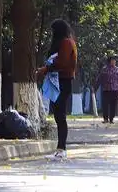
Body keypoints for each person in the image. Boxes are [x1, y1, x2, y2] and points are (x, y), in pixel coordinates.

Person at [36, 19, 77, 161]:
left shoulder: (66, 43)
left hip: (64, 82)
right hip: (60, 81)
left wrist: (46, 69)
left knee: (60, 115)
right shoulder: (66, 42)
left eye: (53, 31)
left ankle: (62, 149)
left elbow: (62, 62)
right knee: (58, 115)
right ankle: (60, 148)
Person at [97, 56, 118, 124]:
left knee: (113, 105)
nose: (114, 62)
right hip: (106, 89)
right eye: (112, 60)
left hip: (115, 90)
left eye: (114, 60)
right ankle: (105, 119)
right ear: (109, 61)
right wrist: (97, 86)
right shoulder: (104, 69)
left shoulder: (117, 70)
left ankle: (111, 119)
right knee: (105, 104)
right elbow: (100, 78)